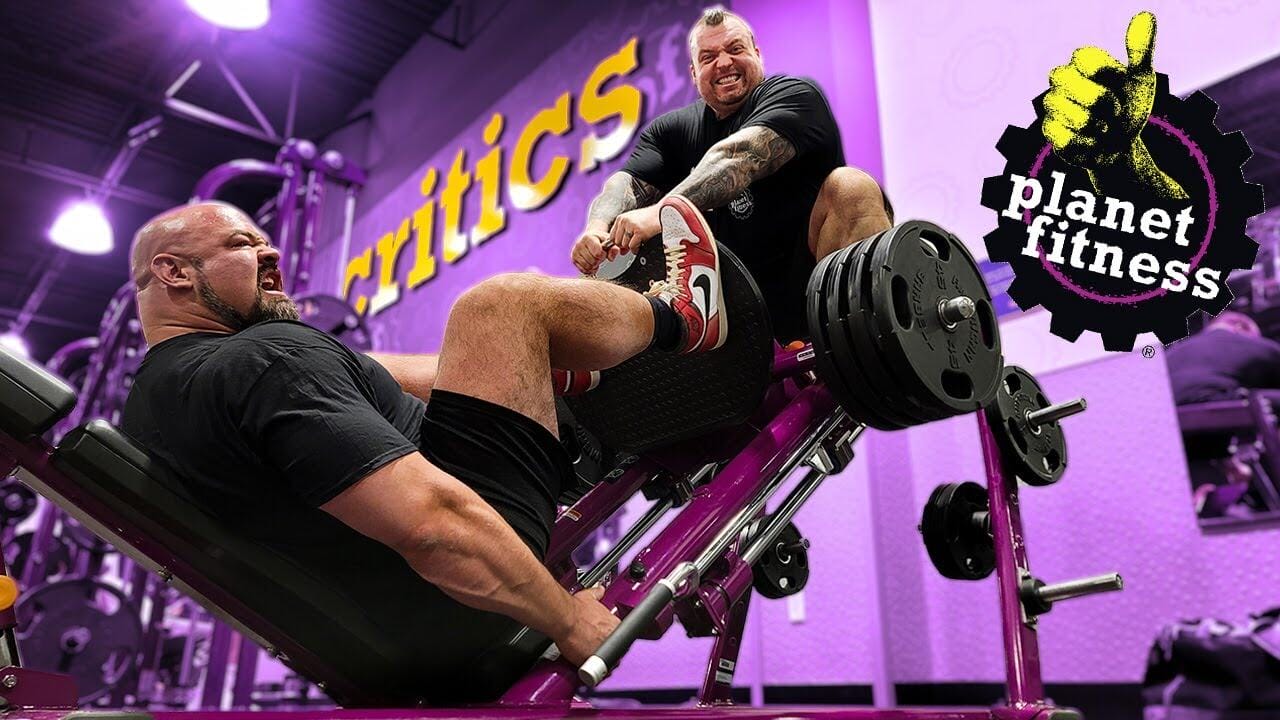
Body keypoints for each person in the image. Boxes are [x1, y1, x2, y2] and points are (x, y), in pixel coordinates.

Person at [120, 195, 726, 701]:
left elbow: (349, 375)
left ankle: (540, 371)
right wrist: (567, 620)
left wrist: (507, 366)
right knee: (503, 304)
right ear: (174, 272)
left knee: (353, 365)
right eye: (242, 244)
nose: (270, 251)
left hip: (385, 630)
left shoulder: (155, 399)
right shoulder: (267, 359)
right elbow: (433, 526)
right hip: (460, 588)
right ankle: (680, 314)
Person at [571, 6, 893, 342]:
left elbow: (736, 159)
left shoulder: (796, 95)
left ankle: (875, 348)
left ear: (757, 53)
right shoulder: (670, 131)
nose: (723, 63)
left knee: (852, 186)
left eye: (735, 49)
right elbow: (627, 183)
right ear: (693, 73)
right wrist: (597, 228)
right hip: (736, 313)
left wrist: (661, 213)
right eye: (708, 57)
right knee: (624, 268)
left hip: (819, 289)